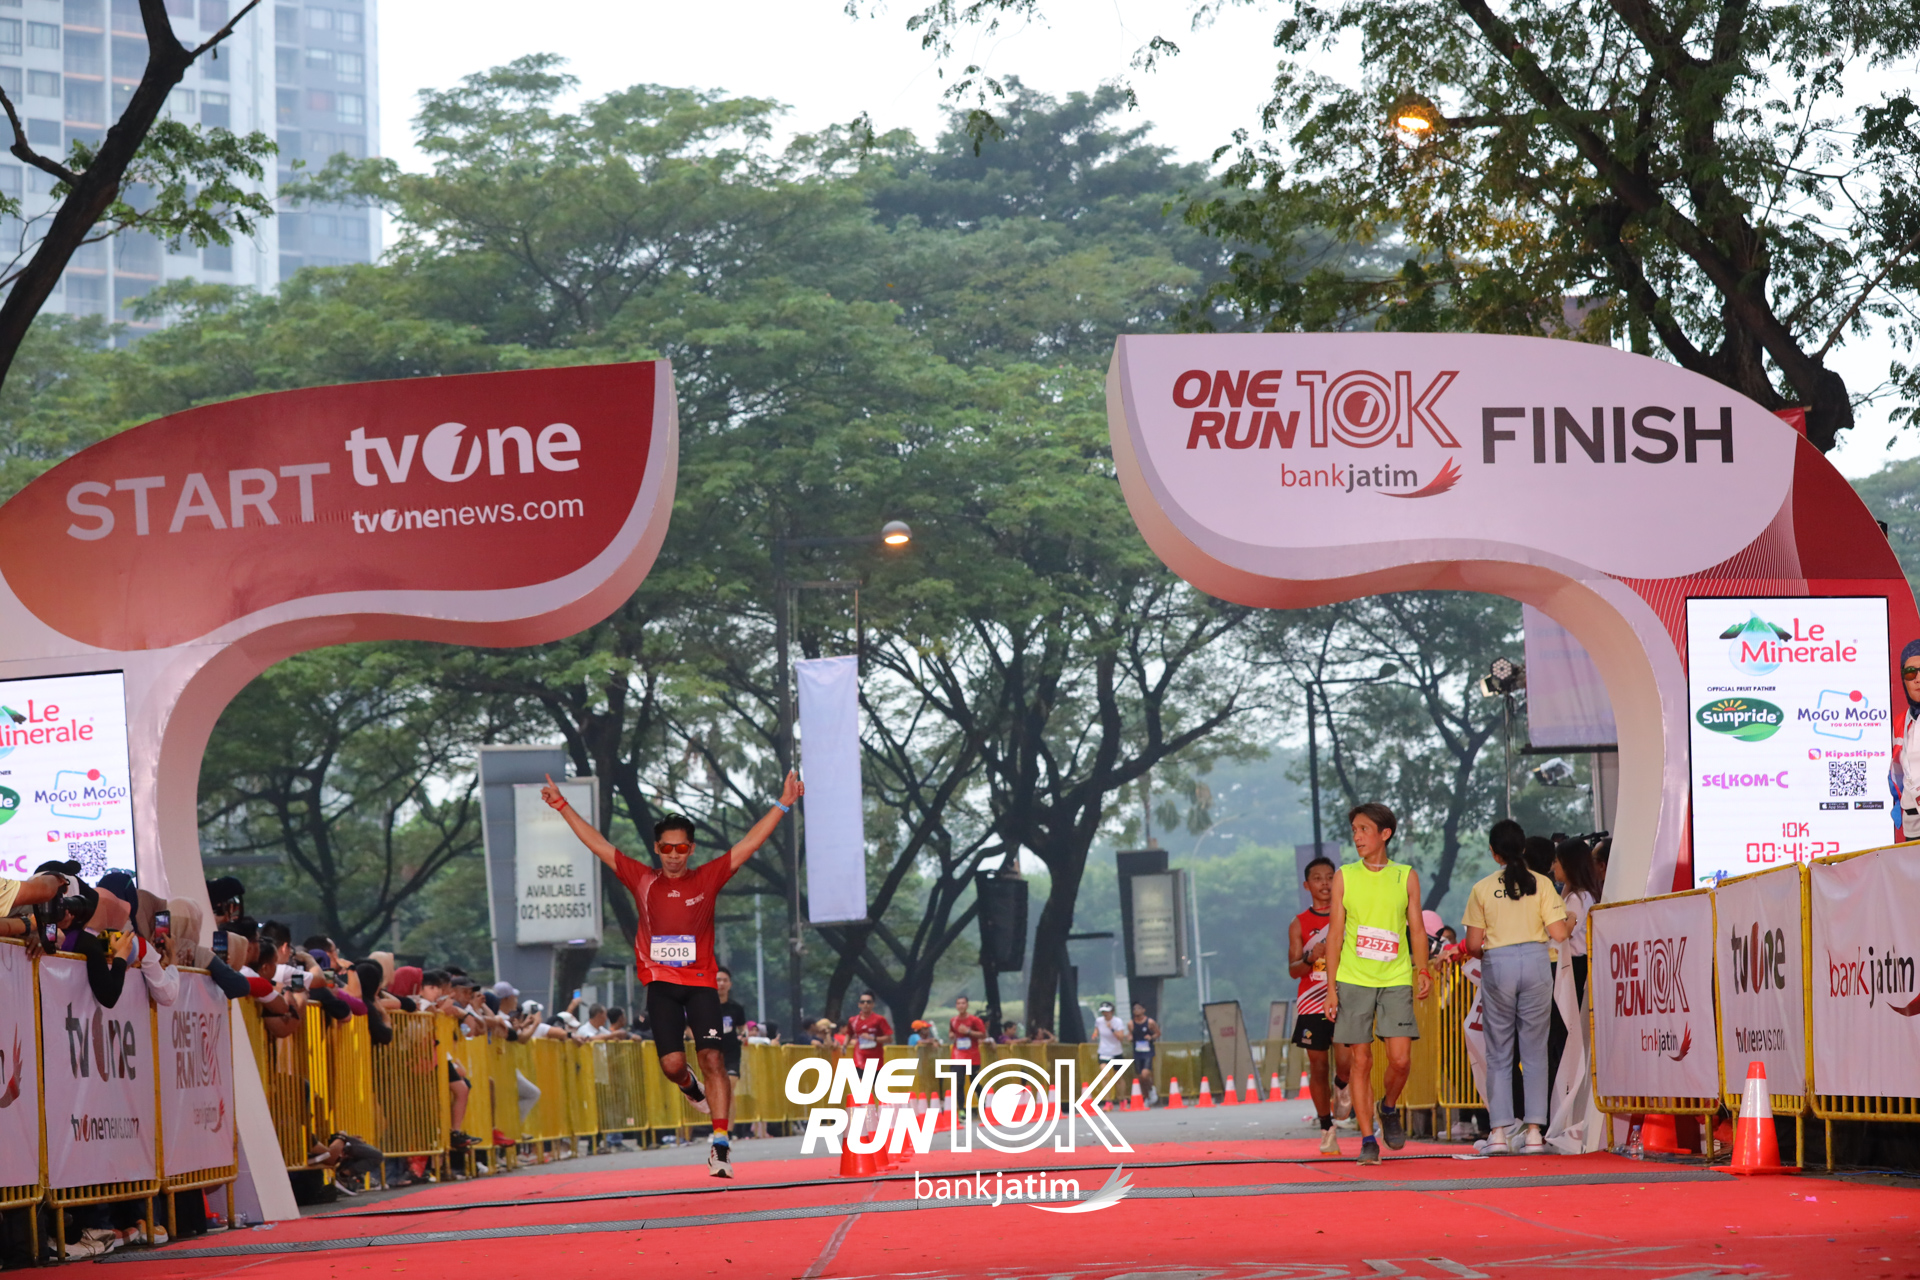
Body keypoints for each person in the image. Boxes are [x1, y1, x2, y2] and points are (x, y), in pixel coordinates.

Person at [541, 770, 802, 1179]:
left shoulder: (708, 877)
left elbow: (749, 844)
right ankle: (689, 1086)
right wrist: (562, 806)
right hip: (661, 985)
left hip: (700, 985)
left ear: (691, 849)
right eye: (666, 848)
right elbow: (598, 844)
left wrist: (783, 804)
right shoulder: (642, 879)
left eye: (681, 848)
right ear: (657, 848)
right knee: (673, 1066)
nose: (674, 855)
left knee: (713, 1057)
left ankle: (720, 1144)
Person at [1325, 803, 1431, 1167]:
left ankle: (1388, 1107)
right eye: (1354, 830)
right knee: (1361, 1060)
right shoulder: (1345, 876)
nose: (1357, 837)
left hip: (1396, 977)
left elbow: (1417, 929)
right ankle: (1368, 1139)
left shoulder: (1405, 876)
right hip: (1353, 979)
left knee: (1400, 1060)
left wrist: (1422, 970)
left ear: (1385, 834)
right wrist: (1331, 988)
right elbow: (1335, 934)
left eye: (1364, 829)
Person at [1462, 819, 1572, 1155]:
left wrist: (1494, 954)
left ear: (1494, 853)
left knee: (1499, 1050)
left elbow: (1473, 944)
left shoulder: (1482, 888)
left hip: (1499, 964)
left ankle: (1498, 1132)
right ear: (1523, 848)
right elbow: (1559, 933)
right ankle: (1535, 1132)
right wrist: (1571, 920)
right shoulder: (1542, 884)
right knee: (1535, 1048)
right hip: (1537, 962)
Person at [1288, 854, 1351, 1153]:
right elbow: (1293, 969)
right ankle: (1326, 1127)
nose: (1324, 884)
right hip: (1312, 1002)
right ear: (1307, 885)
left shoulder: (1349, 915)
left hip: (1345, 996)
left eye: (1329, 878)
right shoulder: (1299, 923)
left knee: (1346, 1062)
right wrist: (1310, 957)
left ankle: (1342, 1085)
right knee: (1318, 1065)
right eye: (1317, 879)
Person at [1546, 837, 1602, 1086]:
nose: (1553, 867)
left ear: (1569, 864)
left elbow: (1566, 931)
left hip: (1574, 969)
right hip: (1568, 968)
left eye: (1557, 861)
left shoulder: (1579, 898)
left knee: (1563, 1035)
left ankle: (1567, 1091)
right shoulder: (1573, 895)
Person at [1894, 638, 1920, 839]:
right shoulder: (1901, 722)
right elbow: (1898, 770)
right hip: (1912, 827)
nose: (1917, 679)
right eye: (1910, 673)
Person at [845, 991, 892, 1072]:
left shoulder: (879, 1019)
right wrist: (844, 1045)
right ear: (859, 1004)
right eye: (862, 1002)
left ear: (873, 1004)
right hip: (859, 1061)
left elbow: (889, 1039)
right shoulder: (853, 1020)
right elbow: (849, 1033)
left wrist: (872, 1038)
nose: (865, 1004)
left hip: (875, 1062)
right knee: (860, 1080)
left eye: (868, 1002)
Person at [715, 967, 748, 1079]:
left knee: (731, 1081)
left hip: (731, 1052)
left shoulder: (736, 1008)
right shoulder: (704, 1007)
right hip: (711, 1051)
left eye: (725, 980)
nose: (721, 983)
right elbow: (689, 1028)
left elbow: (742, 1027)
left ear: (730, 984)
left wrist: (744, 1035)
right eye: (718, 980)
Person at [1127, 1002, 1159, 1105]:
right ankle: (1146, 1097)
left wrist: (1151, 1037)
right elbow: (1130, 1035)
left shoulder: (1150, 1022)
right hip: (1137, 1052)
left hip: (1147, 1051)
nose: (1136, 1011)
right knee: (1140, 1077)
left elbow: (1158, 1033)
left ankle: (1151, 1089)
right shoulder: (1131, 1024)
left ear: (1143, 1010)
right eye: (1134, 1009)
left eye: (1138, 1008)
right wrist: (1130, 1037)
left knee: (1145, 1074)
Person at [948, 995, 987, 1074]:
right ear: (956, 1006)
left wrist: (969, 1032)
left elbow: (983, 1035)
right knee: (958, 1079)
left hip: (972, 1057)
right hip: (957, 1056)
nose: (961, 1006)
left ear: (967, 1005)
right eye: (958, 1003)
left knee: (974, 1080)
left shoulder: (975, 1020)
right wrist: (951, 1035)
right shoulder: (953, 1020)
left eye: (963, 1003)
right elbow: (951, 1031)